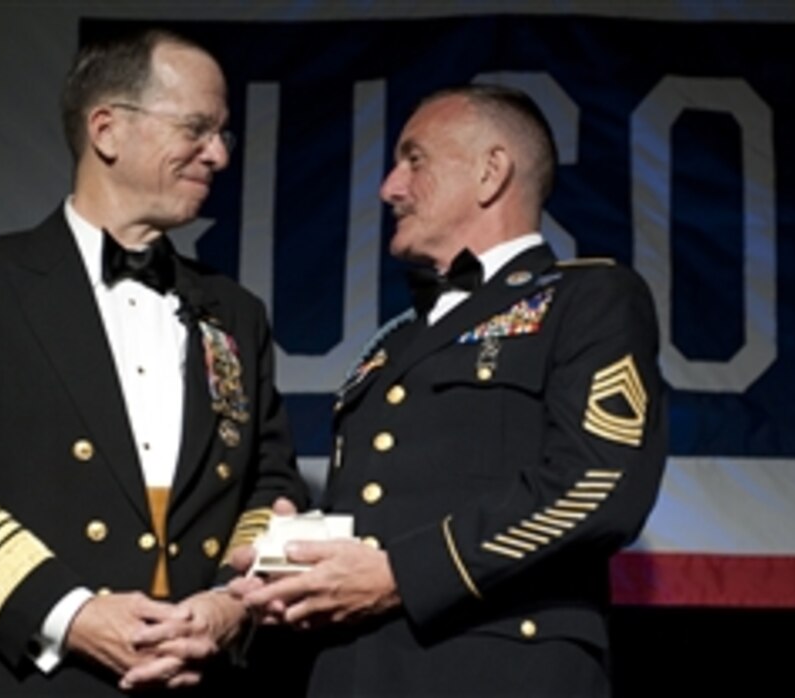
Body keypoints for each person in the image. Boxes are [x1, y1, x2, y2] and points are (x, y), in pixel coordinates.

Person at [0, 29, 307, 696]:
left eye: (223, 133)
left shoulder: (235, 311)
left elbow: (270, 482)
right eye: (198, 128)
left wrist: (231, 603)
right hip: (41, 676)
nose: (220, 154)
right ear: (107, 129)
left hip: (206, 675)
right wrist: (71, 613)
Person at [233, 84, 668, 696]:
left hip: (497, 671)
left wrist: (402, 575)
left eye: (415, 160)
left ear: (492, 173)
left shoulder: (588, 299)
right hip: (350, 672)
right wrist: (291, 559)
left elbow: (597, 486)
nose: (390, 186)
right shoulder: (389, 344)